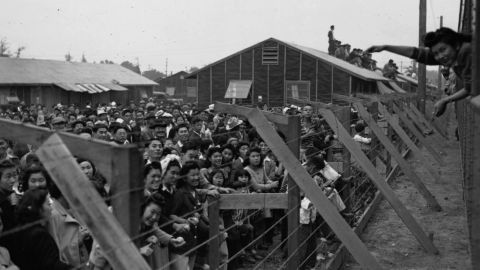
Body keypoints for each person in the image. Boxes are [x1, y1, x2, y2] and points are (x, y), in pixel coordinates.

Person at [366, 27, 472, 116]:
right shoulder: (456, 54)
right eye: (436, 54)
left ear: (456, 45)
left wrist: (445, 100)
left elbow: (469, 88)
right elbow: (418, 54)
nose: (440, 56)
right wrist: (386, 47)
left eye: (443, 50)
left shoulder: (465, 52)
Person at [10, 189, 72, 270]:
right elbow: (51, 264)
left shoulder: (20, 229)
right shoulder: (38, 235)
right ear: (39, 208)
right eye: (48, 204)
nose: (51, 209)